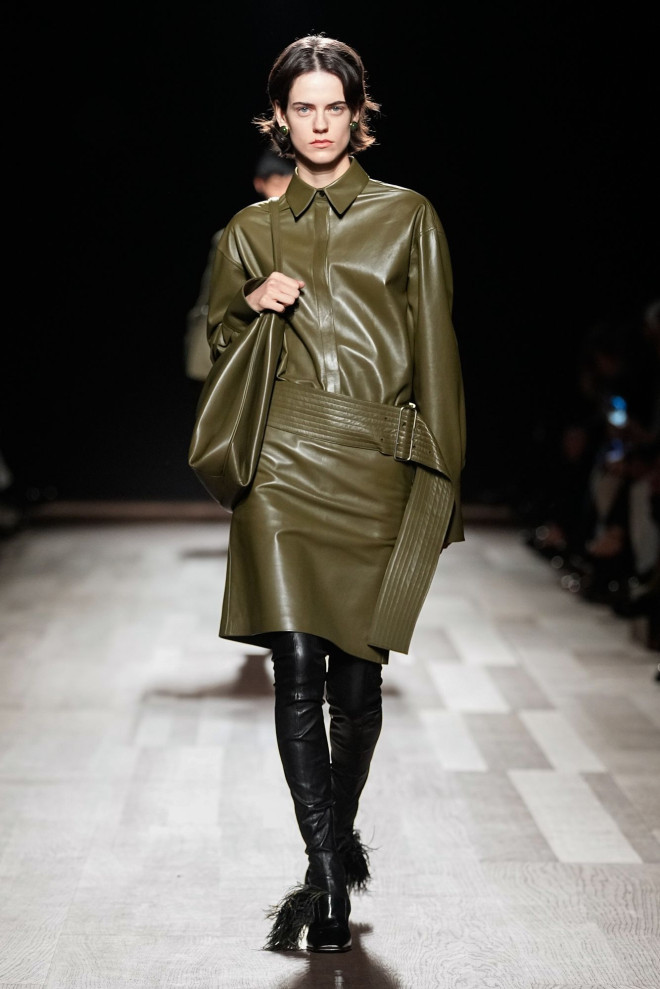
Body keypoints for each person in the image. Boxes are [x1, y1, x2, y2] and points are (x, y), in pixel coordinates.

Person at [205, 34, 466, 953]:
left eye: (334, 107)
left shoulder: (409, 217)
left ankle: (333, 841)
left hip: (377, 469)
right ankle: (326, 883)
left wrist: (442, 485)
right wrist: (250, 306)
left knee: (357, 689)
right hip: (282, 467)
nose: (319, 124)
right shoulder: (248, 232)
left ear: (359, 115)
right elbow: (215, 352)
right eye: (303, 108)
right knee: (297, 668)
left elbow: (437, 357)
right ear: (279, 118)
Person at [184, 150, 295, 382]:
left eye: (291, 181)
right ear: (259, 184)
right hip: (242, 349)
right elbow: (211, 301)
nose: (284, 190)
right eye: (277, 182)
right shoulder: (234, 235)